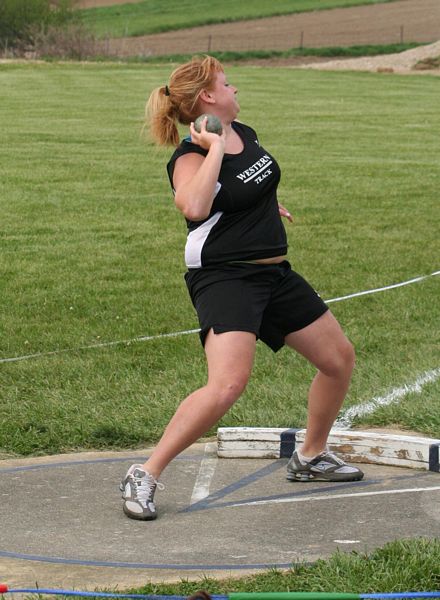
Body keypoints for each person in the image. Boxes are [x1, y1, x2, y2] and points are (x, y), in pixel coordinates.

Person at [120, 55, 363, 521]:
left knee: (338, 359)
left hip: (273, 274)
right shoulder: (189, 157)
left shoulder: (244, 132)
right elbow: (194, 206)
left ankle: (311, 456)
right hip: (225, 277)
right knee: (227, 384)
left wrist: (268, 206)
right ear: (208, 97)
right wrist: (212, 147)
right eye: (227, 84)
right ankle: (144, 473)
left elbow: (252, 180)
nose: (235, 90)